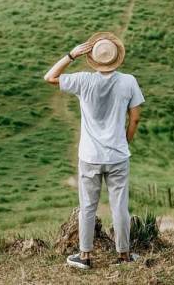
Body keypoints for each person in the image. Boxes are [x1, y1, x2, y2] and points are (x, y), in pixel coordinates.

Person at [44, 31, 144, 270]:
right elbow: (135, 119)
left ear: (93, 58)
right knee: (120, 205)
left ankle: (85, 256)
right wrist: (125, 141)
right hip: (118, 155)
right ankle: (123, 256)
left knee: (88, 206)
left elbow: (50, 77)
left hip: (89, 156)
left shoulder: (83, 80)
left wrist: (71, 55)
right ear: (117, 56)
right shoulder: (128, 81)